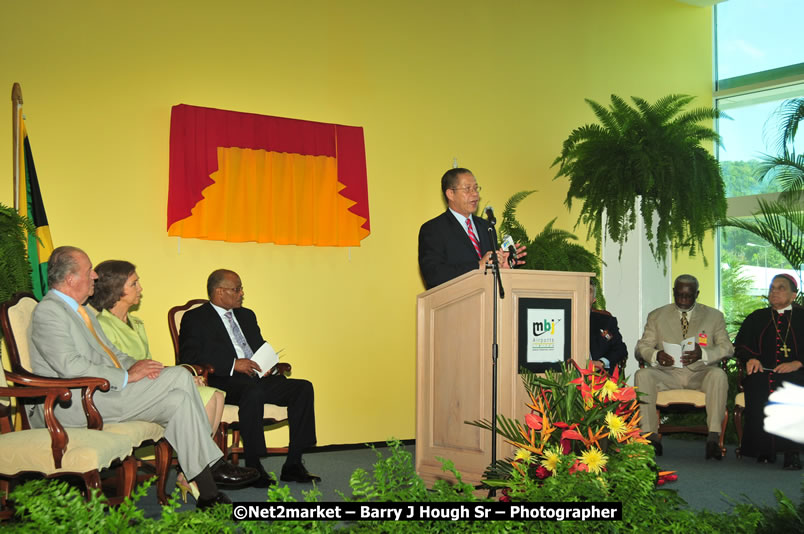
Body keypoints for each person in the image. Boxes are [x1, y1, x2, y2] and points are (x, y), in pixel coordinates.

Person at [28, 246, 258, 510]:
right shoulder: (50, 311)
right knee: (180, 377)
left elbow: (112, 353)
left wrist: (141, 366)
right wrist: (126, 375)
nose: (94, 276)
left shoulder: (83, 312)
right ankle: (213, 464)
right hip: (69, 404)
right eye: (88, 270)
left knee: (178, 399)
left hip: (97, 394)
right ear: (70, 279)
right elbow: (69, 366)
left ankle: (207, 493)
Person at [88, 259, 227, 500]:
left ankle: (195, 468)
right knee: (188, 388)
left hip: (146, 386)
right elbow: (116, 369)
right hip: (126, 392)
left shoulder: (137, 323)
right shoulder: (102, 325)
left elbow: (147, 364)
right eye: (135, 283)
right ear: (117, 289)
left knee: (213, 393)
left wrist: (176, 377)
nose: (141, 287)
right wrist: (174, 377)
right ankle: (204, 466)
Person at [179, 269, 319, 487]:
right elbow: (188, 356)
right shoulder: (195, 318)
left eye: (240, 289)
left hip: (256, 378)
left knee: (302, 388)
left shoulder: (246, 315)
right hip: (224, 380)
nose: (241, 293)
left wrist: (268, 366)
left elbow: (258, 346)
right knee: (252, 392)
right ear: (219, 292)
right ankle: (254, 466)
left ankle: (293, 464)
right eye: (236, 289)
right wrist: (233, 365)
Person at [635, 274, 733, 459]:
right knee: (643, 375)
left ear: (697, 294)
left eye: (688, 296)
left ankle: (713, 437)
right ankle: (650, 437)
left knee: (718, 375)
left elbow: (727, 347)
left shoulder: (713, 316)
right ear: (674, 292)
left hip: (699, 374)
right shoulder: (657, 315)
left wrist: (703, 354)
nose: (683, 300)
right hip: (668, 374)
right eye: (679, 295)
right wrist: (657, 355)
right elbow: (642, 347)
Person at [734, 273, 804, 469]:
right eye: (772, 287)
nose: (774, 291)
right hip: (763, 372)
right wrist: (751, 358)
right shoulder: (757, 317)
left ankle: (792, 452)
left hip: (797, 373)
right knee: (757, 385)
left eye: (781, 288)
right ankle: (764, 449)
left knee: (793, 389)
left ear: (793, 295)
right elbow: (740, 346)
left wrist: (798, 363)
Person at [418, 167, 526, 290]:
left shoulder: (486, 227)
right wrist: (478, 266)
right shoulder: (434, 229)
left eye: (476, 188)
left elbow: (490, 272)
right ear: (450, 194)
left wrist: (501, 267)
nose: (475, 194)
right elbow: (433, 275)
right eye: (467, 189)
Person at [589, 280, 627, 372]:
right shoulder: (561, 319)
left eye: (588, 291)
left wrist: (602, 362)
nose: (582, 293)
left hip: (599, 374)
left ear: (594, 300)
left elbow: (620, 349)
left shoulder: (605, 322)